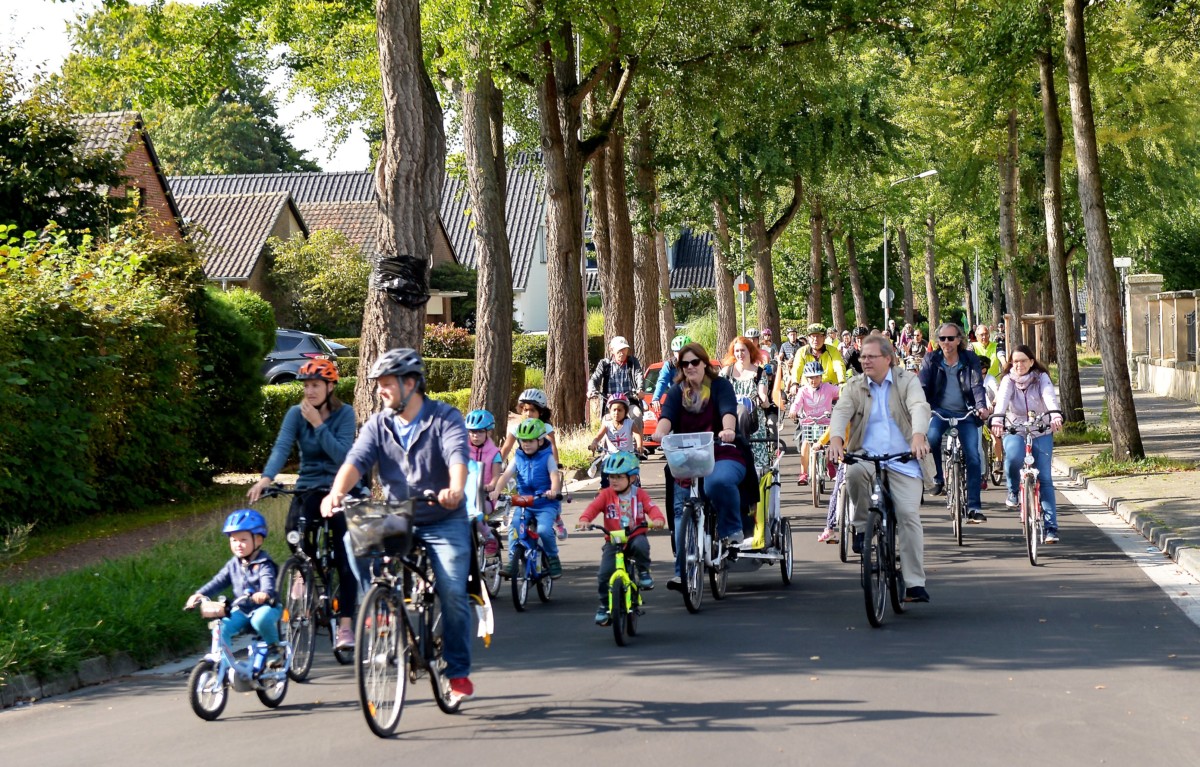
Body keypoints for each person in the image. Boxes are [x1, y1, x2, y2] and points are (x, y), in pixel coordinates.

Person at [320, 348, 475, 705]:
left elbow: (457, 457)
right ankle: (380, 605)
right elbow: (356, 461)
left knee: (452, 592)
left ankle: (457, 672)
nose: (381, 391)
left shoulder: (445, 418)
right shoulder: (379, 424)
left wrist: (454, 489)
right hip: (396, 514)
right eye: (379, 385)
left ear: (410, 384)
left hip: (442, 517)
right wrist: (335, 493)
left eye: (387, 384)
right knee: (350, 539)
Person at [247, 358, 358, 651]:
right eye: (306, 386)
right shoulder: (295, 414)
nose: (309, 391)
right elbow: (282, 446)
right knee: (292, 529)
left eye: (315, 385)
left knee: (345, 558)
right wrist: (266, 478)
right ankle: (302, 571)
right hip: (308, 486)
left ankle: (345, 627)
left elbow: (343, 457)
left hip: (339, 488)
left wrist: (319, 425)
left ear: (330, 387)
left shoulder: (345, 414)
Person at [826, 335, 935, 603]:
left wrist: (919, 436)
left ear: (888, 358)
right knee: (852, 473)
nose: (865, 361)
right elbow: (841, 412)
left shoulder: (906, 380)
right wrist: (837, 439)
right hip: (866, 456)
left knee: (909, 516)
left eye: (871, 356)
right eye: (862, 356)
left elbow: (919, 406)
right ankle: (862, 527)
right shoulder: (855, 385)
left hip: (903, 459)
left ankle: (914, 583)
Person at [652, 342, 755, 590]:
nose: (689, 367)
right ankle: (681, 572)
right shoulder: (677, 392)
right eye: (684, 364)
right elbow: (666, 417)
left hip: (722, 451)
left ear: (704, 363)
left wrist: (729, 429)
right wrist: (659, 433)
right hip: (687, 457)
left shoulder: (720, 386)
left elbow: (728, 410)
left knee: (716, 482)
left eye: (694, 362)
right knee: (680, 510)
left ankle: (731, 531)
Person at [184, 509, 282, 673]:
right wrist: (200, 594)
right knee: (221, 626)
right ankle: (225, 663)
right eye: (234, 540)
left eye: (243, 539)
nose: (238, 544)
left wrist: (264, 593)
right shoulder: (233, 564)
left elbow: (268, 580)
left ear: (258, 539)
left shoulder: (264, 563)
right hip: (243, 609)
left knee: (260, 620)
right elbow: (218, 581)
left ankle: (275, 650)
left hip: (266, 607)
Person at [576, 451, 667, 625]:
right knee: (604, 575)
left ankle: (643, 572)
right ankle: (604, 606)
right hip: (613, 541)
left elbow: (652, 508)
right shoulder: (606, 495)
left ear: (632, 478)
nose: (614, 481)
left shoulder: (640, 494)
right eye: (611, 477)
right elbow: (593, 508)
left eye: (619, 477)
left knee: (641, 546)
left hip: (634, 536)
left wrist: (657, 520)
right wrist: (584, 520)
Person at [990, 345, 1064, 543]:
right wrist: (997, 420)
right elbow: (1003, 400)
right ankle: (1013, 490)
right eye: (1015, 361)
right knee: (1013, 457)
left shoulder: (1041, 378)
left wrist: (1055, 415)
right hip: (1015, 428)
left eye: (1023, 361)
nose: (1019, 365)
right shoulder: (1008, 380)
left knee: (1045, 478)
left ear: (1031, 361)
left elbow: (1049, 396)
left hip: (1041, 429)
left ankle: (1051, 528)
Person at [919, 322, 991, 523]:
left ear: (959, 340)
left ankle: (974, 507)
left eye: (951, 338)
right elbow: (923, 386)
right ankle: (938, 478)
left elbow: (977, 386)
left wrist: (981, 407)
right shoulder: (931, 359)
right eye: (942, 338)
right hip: (939, 411)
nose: (946, 342)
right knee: (932, 438)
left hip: (966, 412)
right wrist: (919, 405)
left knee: (973, 456)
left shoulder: (969, 359)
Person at [490, 418, 564, 578]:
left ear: (540, 440)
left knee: (544, 531)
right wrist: (496, 490)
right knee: (514, 528)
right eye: (523, 441)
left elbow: (554, 476)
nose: (526, 444)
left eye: (530, 441)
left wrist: (554, 490)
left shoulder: (547, 457)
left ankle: (553, 558)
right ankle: (512, 562)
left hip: (545, 502)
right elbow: (506, 475)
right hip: (524, 502)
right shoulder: (518, 457)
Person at [721, 336, 772, 472]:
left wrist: (763, 399)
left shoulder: (760, 373)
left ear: (750, 351)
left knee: (758, 468)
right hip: (730, 423)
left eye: (743, 350)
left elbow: (762, 394)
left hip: (754, 425)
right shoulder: (726, 372)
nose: (740, 354)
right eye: (737, 351)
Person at [790, 361, 838, 488]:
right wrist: (793, 411)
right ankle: (804, 473)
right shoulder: (803, 391)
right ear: (806, 378)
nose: (813, 380)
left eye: (816, 377)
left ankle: (829, 464)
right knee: (805, 443)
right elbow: (796, 403)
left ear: (821, 377)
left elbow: (842, 392)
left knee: (828, 445)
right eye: (810, 377)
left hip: (825, 423)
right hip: (809, 423)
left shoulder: (828, 388)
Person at [464, 409, 503, 556]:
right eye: (472, 432)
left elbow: (496, 476)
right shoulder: (462, 450)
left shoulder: (494, 453)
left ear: (488, 433)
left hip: (484, 496)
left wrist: (491, 486)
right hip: (465, 494)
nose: (475, 436)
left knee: (476, 513)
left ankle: (489, 536)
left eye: (480, 432)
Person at [588, 336, 645, 434]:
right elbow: (594, 378)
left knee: (637, 415)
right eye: (619, 350)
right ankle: (605, 446)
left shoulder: (633, 362)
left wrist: (640, 389)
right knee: (606, 420)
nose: (622, 352)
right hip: (610, 403)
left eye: (624, 349)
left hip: (629, 401)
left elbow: (638, 375)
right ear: (612, 350)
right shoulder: (604, 364)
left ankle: (637, 446)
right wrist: (591, 390)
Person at [500, 388, 559, 463]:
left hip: (542, 465)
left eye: (532, 410)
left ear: (541, 412)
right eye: (525, 410)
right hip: (524, 465)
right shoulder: (517, 428)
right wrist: (497, 465)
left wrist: (555, 465)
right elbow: (506, 448)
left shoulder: (546, 428)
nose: (528, 414)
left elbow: (552, 447)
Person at [652, 334, 693, 411]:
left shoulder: (696, 363)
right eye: (677, 351)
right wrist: (656, 398)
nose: (680, 354)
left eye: (683, 351)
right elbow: (662, 381)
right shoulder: (669, 365)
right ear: (674, 353)